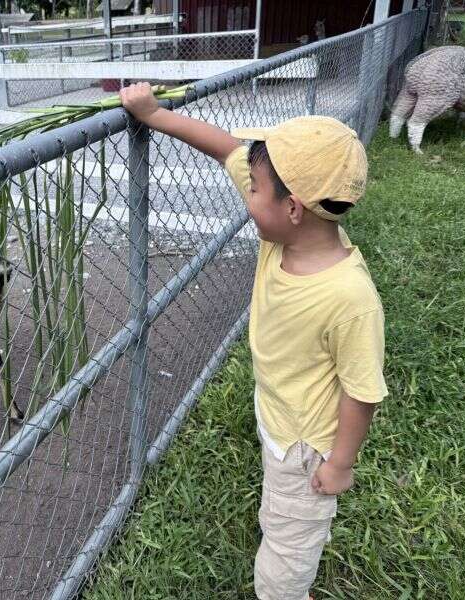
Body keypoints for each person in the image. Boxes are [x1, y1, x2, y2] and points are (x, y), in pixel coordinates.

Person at [120, 82, 388, 600]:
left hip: (308, 449)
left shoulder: (350, 297)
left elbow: (362, 390)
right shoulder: (290, 230)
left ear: (292, 208)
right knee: (283, 518)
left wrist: (341, 464)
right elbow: (227, 147)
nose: (247, 194)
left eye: (254, 191)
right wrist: (153, 114)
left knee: (281, 568)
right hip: (280, 421)